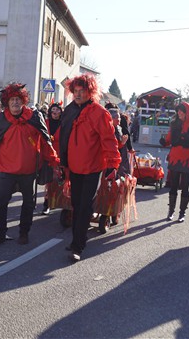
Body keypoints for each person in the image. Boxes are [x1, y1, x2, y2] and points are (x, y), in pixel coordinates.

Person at [0, 83, 58, 247]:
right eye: (12, 100)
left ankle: (24, 232)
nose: (15, 103)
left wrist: (54, 161)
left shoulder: (35, 118)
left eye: (18, 99)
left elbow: (45, 142)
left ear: (23, 101)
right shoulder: (0, 120)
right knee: (1, 202)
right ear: (7, 102)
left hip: (28, 171)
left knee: (29, 203)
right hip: (6, 170)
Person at [59, 74, 120, 262]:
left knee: (85, 206)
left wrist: (112, 164)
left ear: (90, 92)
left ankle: (78, 246)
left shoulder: (100, 113)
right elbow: (63, 138)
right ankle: (78, 238)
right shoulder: (69, 111)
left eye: (81, 91)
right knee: (76, 205)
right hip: (74, 167)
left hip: (92, 168)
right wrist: (61, 162)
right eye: (75, 91)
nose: (77, 94)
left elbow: (109, 140)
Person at [159, 102, 189, 223]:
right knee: (173, 185)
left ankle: (182, 213)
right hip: (175, 158)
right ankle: (171, 212)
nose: (179, 113)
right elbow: (169, 139)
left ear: (187, 112)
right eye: (178, 111)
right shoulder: (174, 123)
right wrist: (164, 142)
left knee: (185, 187)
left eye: (181, 111)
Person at [42, 102, 63, 215]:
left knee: (59, 180)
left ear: (60, 112)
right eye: (53, 110)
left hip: (59, 154)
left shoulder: (63, 123)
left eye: (57, 110)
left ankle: (58, 202)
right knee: (49, 181)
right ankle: (47, 204)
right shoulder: (46, 123)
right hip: (48, 154)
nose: (55, 112)